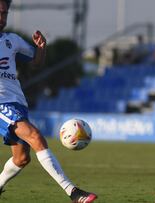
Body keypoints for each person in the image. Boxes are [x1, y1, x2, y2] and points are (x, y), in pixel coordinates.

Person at [0, 1, 97, 202]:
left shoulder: (12, 40)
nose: (2, 18)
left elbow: (36, 62)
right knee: (35, 136)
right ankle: (73, 192)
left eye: (5, 13)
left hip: (17, 102)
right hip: (1, 104)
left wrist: (41, 49)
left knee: (21, 158)